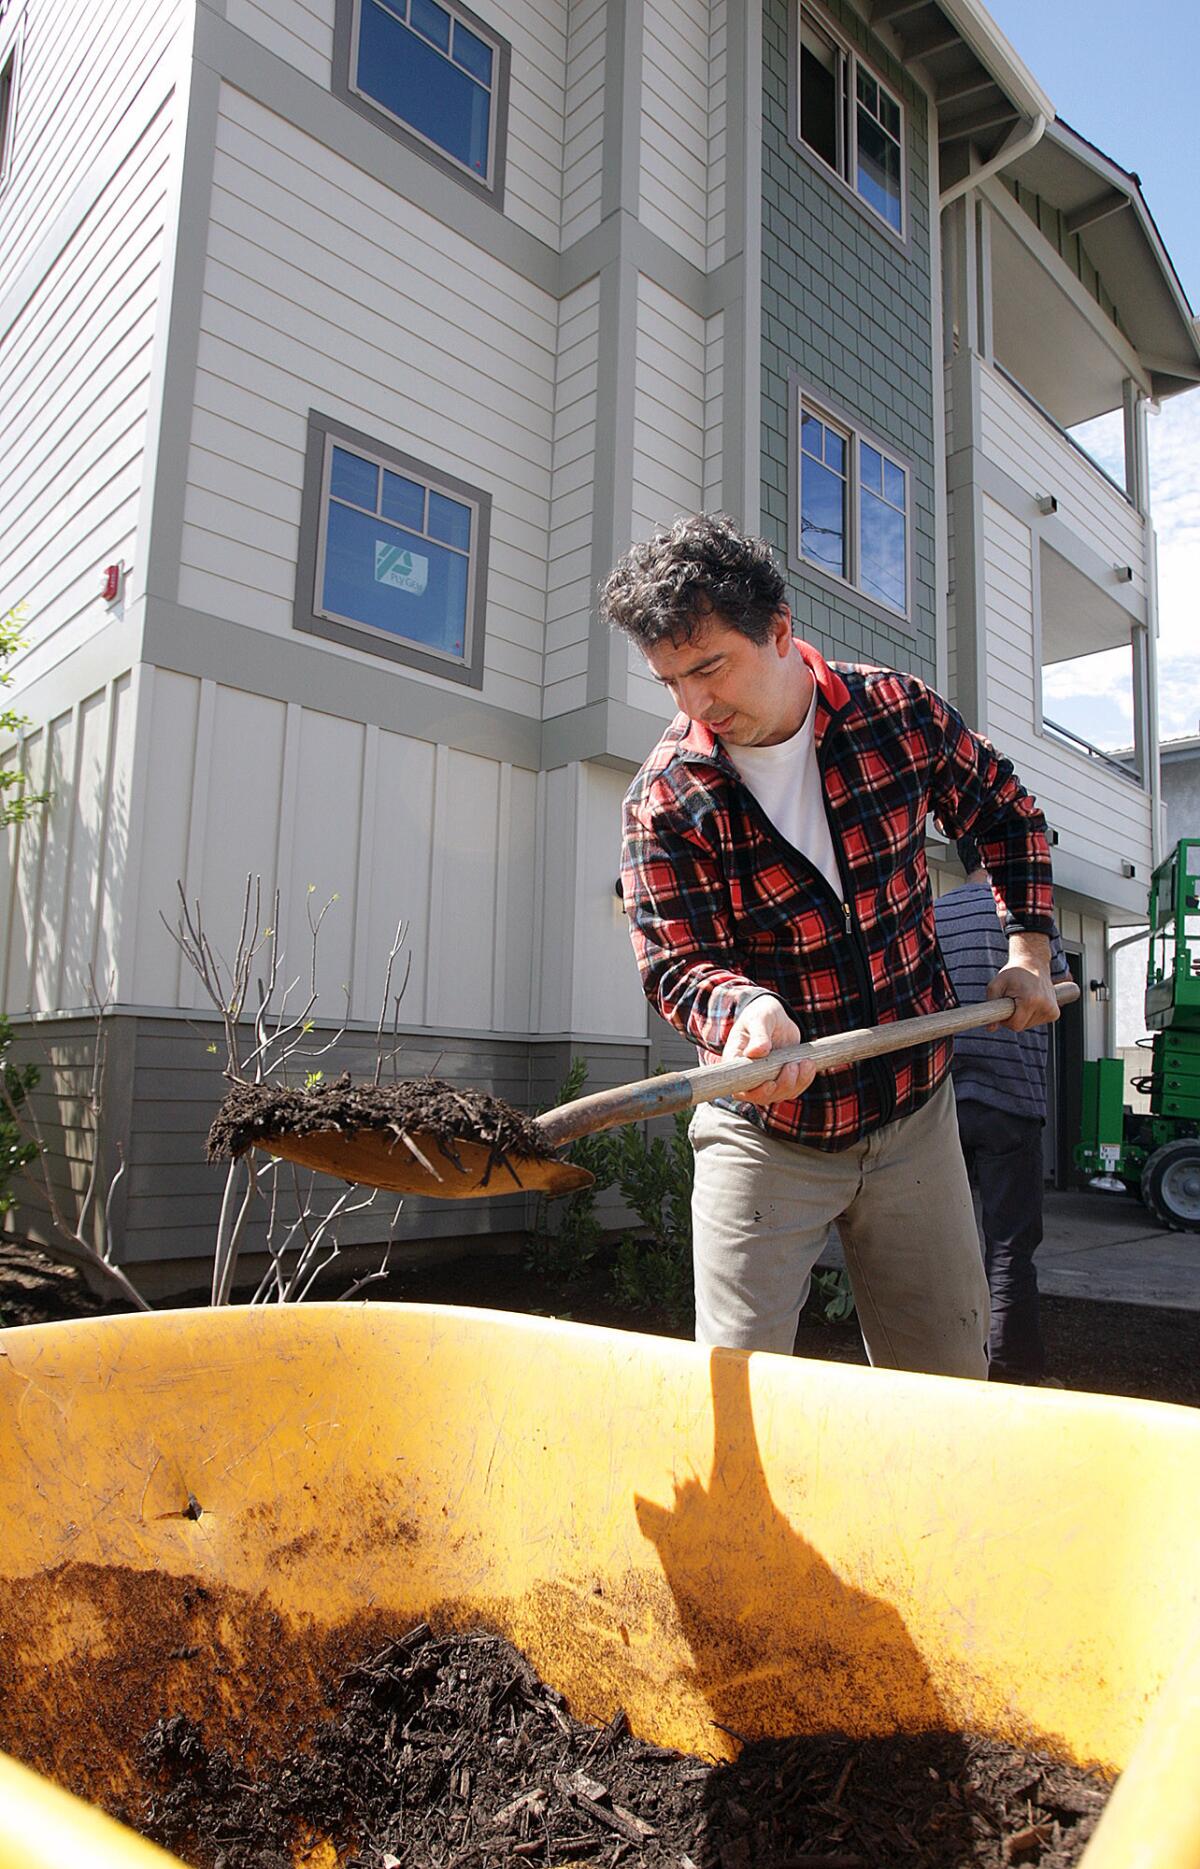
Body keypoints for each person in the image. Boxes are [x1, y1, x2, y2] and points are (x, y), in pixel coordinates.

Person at [603, 513, 1060, 1379]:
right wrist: (745, 1010)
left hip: (914, 1112)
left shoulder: (898, 715)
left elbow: (1007, 814)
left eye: (710, 667)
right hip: (765, 1131)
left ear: (779, 630)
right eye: (671, 681)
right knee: (737, 1399)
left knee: (946, 1383)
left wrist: (1028, 949)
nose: (696, 703)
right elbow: (674, 959)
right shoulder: (667, 798)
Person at [934, 834, 1069, 1384]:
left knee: (940, 1243)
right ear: (997, 855)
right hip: (1011, 1099)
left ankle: (944, 1371)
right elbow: (1055, 989)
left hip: (940, 1103)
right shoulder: (1029, 923)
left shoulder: (935, 915)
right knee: (1010, 1245)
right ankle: (1013, 1376)